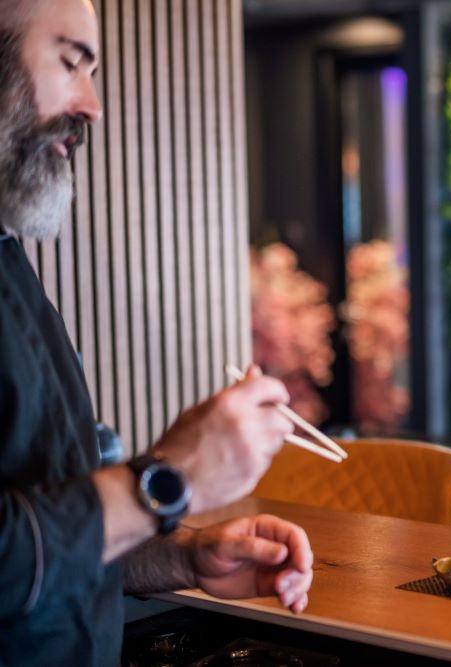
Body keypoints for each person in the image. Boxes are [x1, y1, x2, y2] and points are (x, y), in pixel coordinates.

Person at [0, 0, 315, 663]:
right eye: (69, 63)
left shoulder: (11, 260)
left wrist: (184, 556)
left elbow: (57, 524)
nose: (92, 104)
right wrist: (162, 480)